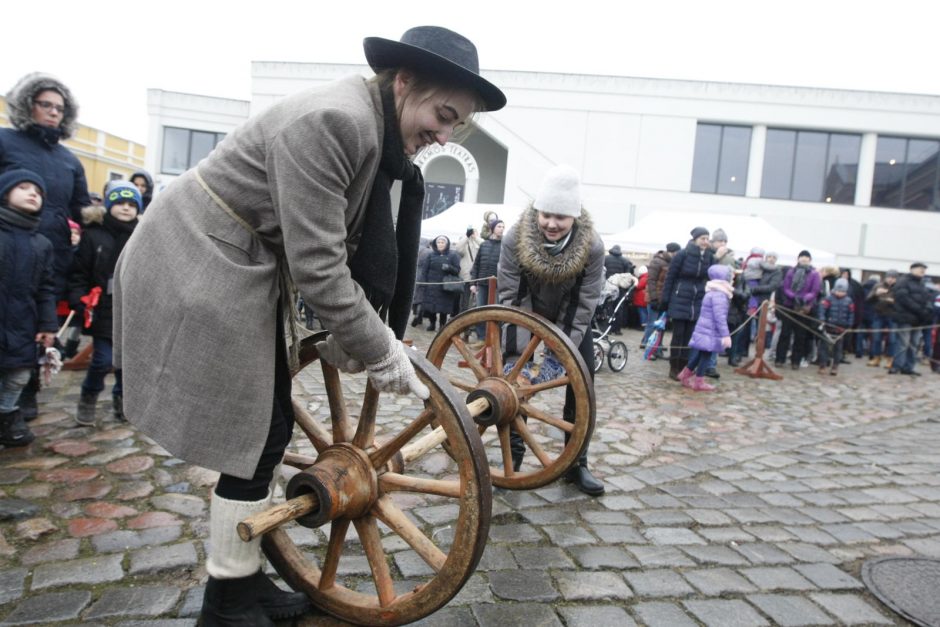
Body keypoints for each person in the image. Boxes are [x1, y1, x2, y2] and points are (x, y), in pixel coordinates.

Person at [113, 26, 505, 625]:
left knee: (262, 431)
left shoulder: (371, 129)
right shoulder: (336, 121)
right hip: (199, 255)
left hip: (242, 261)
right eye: (442, 114)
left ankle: (240, 578)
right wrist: (380, 353)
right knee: (255, 430)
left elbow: (331, 257)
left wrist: (365, 337)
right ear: (403, 82)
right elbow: (320, 267)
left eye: (457, 126)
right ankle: (226, 601)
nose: (444, 135)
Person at [497, 164, 605, 496]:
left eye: (561, 217)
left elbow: (584, 301)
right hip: (524, 310)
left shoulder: (593, 246)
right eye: (546, 214)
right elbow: (511, 296)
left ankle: (577, 464)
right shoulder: (516, 237)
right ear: (537, 211)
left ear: (574, 216)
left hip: (572, 316)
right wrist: (521, 359)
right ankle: (512, 461)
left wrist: (561, 358)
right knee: (515, 382)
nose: (551, 224)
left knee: (582, 381)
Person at [0, 72, 91, 421]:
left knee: (41, 325)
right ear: (28, 104)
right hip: (7, 246)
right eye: (46, 105)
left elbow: (82, 210)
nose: (53, 112)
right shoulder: (5, 142)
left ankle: (27, 394)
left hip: (50, 255)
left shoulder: (69, 160)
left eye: (59, 108)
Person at [68, 182, 141, 426]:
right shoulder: (94, 235)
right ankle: (88, 398)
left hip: (132, 309)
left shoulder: (141, 235)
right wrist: (79, 297)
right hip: (102, 309)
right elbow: (79, 271)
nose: (126, 208)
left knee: (126, 364)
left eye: (132, 204)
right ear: (109, 205)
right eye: (121, 202)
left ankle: (123, 402)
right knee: (103, 359)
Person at [0, 169, 56, 446]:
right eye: (23, 187)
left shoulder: (41, 243)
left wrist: (47, 325)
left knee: (19, 375)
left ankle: (7, 417)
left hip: (23, 322)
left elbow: (46, 288)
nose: (33, 193)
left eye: (38, 192)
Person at [660, 227, 716, 380]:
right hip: (680, 297)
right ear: (695, 239)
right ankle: (674, 367)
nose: (705, 241)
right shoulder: (682, 254)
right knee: (678, 335)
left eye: (707, 238)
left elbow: (712, 277)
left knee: (690, 337)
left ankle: (684, 368)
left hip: (697, 300)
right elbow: (670, 277)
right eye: (702, 238)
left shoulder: (709, 257)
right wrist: (665, 299)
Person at [677, 264, 733, 392]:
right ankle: (699, 381)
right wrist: (725, 335)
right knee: (706, 355)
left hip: (706, 328)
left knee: (701, 353)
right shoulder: (720, 295)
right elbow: (720, 317)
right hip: (711, 330)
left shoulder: (713, 292)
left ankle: (685, 375)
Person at [774, 250, 821, 369]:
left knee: (800, 336)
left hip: (804, 308)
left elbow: (815, 291)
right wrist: (794, 296)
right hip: (790, 306)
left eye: (806, 258)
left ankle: (796, 361)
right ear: (798, 259)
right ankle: (780, 358)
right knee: (785, 334)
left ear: (810, 260)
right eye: (802, 257)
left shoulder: (814, 274)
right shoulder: (791, 272)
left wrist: (804, 299)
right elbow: (786, 287)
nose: (804, 259)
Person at [890, 262, 932, 376]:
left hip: (918, 319)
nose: (923, 271)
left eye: (924, 269)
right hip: (905, 318)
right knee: (903, 343)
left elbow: (927, 298)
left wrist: (927, 310)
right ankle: (896, 366)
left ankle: (908, 367)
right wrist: (919, 310)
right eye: (920, 268)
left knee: (914, 344)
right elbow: (903, 299)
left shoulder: (922, 284)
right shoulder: (903, 281)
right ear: (913, 269)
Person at [642, 242, 679, 355]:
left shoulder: (672, 263)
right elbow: (651, 281)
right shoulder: (657, 261)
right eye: (677, 252)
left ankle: (657, 348)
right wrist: (653, 299)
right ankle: (649, 349)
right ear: (671, 252)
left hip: (664, 299)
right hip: (654, 298)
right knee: (652, 324)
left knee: (661, 325)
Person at [417, 235, 462, 331]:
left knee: (443, 308)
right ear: (435, 244)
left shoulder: (453, 255)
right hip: (432, 285)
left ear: (446, 244)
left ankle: (442, 325)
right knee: (431, 307)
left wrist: (449, 268)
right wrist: (423, 282)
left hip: (445, 286)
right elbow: (425, 270)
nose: (440, 244)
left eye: (442, 242)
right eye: (439, 242)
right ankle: (432, 323)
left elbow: (457, 270)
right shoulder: (431, 255)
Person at [469, 218, 503, 340]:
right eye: (499, 226)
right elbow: (476, 265)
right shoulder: (484, 245)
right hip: (482, 284)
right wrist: (473, 283)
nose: (501, 229)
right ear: (493, 229)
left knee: (495, 312)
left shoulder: (505, 246)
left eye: (503, 227)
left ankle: (494, 337)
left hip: (498, 285)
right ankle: (482, 337)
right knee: (480, 310)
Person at [817, 278, 855, 375]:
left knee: (838, 349)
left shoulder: (849, 301)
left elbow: (851, 313)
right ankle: (823, 365)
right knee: (824, 347)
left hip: (841, 328)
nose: (839, 293)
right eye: (838, 291)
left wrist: (850, 324)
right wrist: (822, 319)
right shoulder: (828, 298)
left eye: (842, 291)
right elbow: (822, 310)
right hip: (828, 326)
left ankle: (835, 366)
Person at [866, 270, 898, 368]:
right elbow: (868, 300)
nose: (890, 280)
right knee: (876, 337)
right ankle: (876, 358)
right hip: (878, 314)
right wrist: (876, 294)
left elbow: (902, 302)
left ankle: (890, 359)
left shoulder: (898, 288)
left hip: (893, 316)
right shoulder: (878, 286)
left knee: (892, 339)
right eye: (889, 277)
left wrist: (893, 301)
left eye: (893, 278)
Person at [603, 244, 634, 334]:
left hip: (607, 286)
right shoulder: (625, 261)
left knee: (607, 307)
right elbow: (629, 275)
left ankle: (606, 328)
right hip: (620, 288)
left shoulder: (605, 258)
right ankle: (616, 329)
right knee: (619, 308)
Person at [454, 225, 481, 313]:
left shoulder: (479, 242)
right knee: (464, 300)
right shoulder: (464, 243)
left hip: (478, 276)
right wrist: (467, 236)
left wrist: (475, 237)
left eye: (475, 231)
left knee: (476, 301)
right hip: (466, 276)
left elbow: (484, 244)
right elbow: (458, 248)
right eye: (472, 232)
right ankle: (462, 316)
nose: (473, 233)